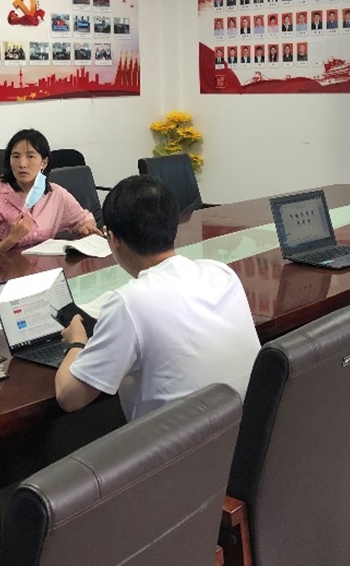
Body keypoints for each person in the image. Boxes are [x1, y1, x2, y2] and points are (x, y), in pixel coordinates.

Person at [55, 176, 260, 421]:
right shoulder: (221, 273)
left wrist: (77, 342)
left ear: (113, 239)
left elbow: (69, 397)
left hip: (180, 442)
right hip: (245, 427)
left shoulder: (129, 303)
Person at [0, 129, 101, 258]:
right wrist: (10, 240)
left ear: (44, 162)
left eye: (30, 156)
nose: (22, 164)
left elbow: (84, 218)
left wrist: (87, 228)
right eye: (16, 156)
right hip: (4, 270)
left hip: (46, 268)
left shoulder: (55, 194)